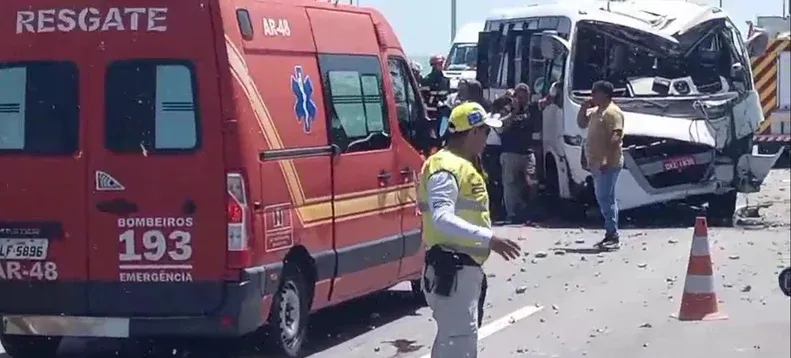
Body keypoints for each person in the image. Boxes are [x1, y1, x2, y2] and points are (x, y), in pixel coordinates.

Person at [418, 102, 521, 358]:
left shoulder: (461, 164)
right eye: (485, 132)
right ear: (472, 132)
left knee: (452, 343)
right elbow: (442, 218)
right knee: (459, 345)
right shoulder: (445, 167)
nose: (487, 139)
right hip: (452, 270)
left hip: (461, 270)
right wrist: (489, 238)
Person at [577, 80, 624, 249]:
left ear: (603, 94)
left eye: (595, 93)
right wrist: (583, 108)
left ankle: (612, 234)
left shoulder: (613, 113)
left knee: (606, 197)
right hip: (596, 162)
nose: (592, 96)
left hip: (608, 163)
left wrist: (605, 158)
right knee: (603, 197)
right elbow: (582, 123)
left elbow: (616, 137)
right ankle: (610, 232)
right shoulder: (596, 112)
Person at [499, 83, 540, 224]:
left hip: (527, 151)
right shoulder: (506, 110)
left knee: (532, 183)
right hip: (510, 152)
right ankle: (512, 214)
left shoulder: (532, 109)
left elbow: (546, 102)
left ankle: (529, 211)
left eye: (525, 97)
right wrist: (514, 112)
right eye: (519, 96)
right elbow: (501, 127)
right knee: (510, 185)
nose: (522, 99)